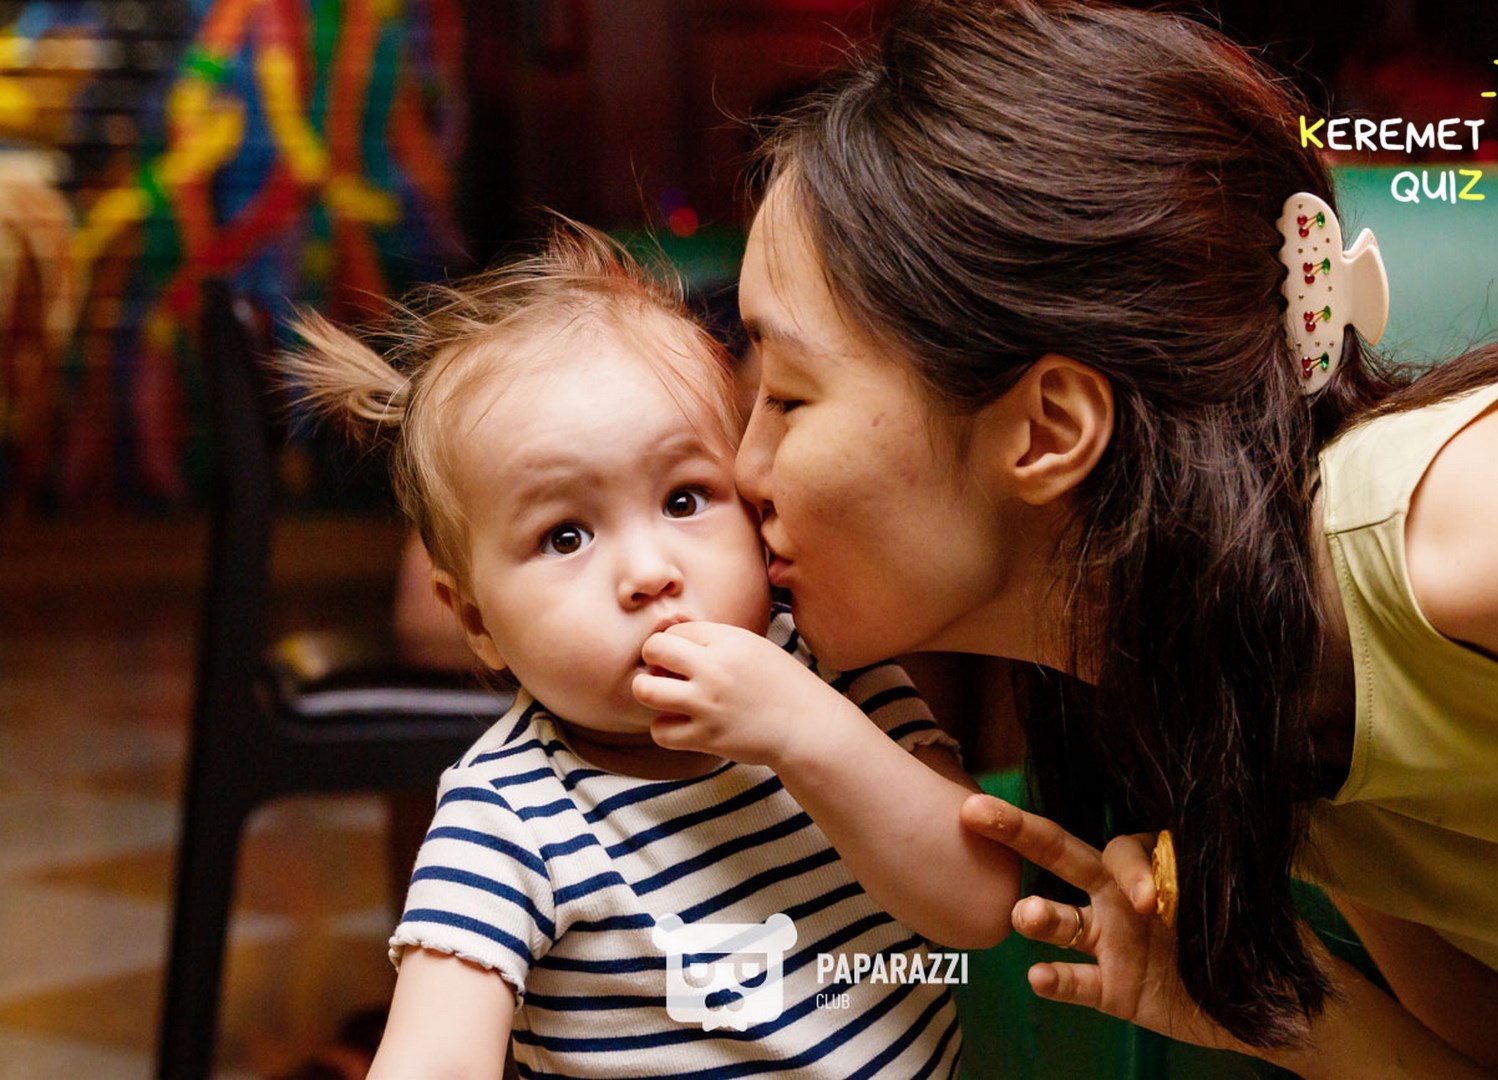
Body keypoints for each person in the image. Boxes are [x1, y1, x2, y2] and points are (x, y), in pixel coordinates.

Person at [728, 2, 1498, 1078]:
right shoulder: (1257, 700)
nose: (742, 470)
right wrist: (1294, 1019)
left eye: (786, 396)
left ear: (1048, 429)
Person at [281, 222, 1019, 1078]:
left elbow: (978, 904)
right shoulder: (506, 818)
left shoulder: (834, 675)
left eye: (683, 499)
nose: (647, 573)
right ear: (476, 620)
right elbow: (436, 1057)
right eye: (565, 536)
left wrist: (802, 730)